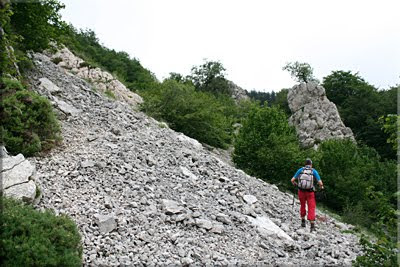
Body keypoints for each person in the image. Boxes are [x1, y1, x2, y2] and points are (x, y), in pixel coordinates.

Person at [290, 158, 323, 232]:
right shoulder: (313, 171)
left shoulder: (301, 170)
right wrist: (321, 187)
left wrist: (295, 184)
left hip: (301, 191)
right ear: (311, 164)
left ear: (305, 164)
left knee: (302, 205)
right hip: (310, 192)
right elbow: (320, 183)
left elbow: (292, 180)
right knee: (311, 207)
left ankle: (303, 222)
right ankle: (312, 226)